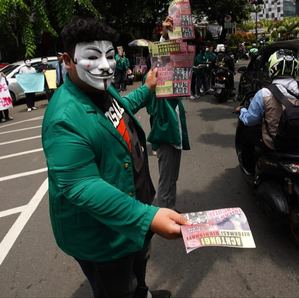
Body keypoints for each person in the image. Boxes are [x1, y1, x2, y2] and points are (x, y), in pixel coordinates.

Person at [41, 17, 189, 298]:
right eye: (93, 57)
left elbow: (121, 110)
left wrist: (146, 90)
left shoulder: (102, 88)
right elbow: (81, 185)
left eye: (110, 56)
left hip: (133, 216)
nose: (106, 65)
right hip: (103, 238)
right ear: (67, 61)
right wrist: (148, 216)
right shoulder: (64, 118)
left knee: (137, 270)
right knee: (116, 287)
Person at [235, 49, 299, 175]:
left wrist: (243, 111)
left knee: (246, 133)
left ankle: (248, 168)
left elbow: (251, 121)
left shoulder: (264, 93)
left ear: (273, 68)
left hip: (275, 143)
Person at [147, 15, 191, 211]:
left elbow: (175, 62)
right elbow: (161, 63)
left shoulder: (174, 89)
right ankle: (164, 215)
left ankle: (170, 210)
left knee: (172, 177)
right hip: (167, 137)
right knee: (166, 179)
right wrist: (164, 37)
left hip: (175, 137)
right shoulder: (158, 87)